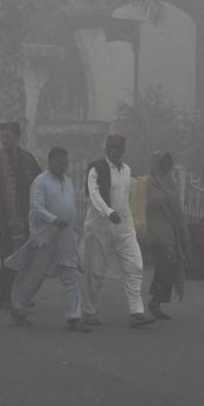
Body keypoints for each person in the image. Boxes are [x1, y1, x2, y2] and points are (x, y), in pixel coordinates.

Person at [6, 147, 90, 332]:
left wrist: (75, 230)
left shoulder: (67, 182)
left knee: (70, 276)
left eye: (66, 163)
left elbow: (70, 208)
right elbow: (36, 207)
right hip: (46, 238)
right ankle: (18, 308)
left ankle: (73, 318)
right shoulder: (41, 181)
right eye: (60, 162)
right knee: (34, 277)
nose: (64, 166)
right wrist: (53, 219)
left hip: (66, 239)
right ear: (50, 162)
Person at [81, 135, 155, 328]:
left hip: (123, 226)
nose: (114, 151)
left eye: (117, 148)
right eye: (110, 147)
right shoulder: (96, 168)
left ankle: (136, 312)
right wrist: (108, 212)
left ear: (124, 149)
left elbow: (125, 199)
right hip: (99, 226)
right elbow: (94, 193)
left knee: (135, 266)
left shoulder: (127, 170)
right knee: (95, 271)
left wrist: (127, 223)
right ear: (106, 148)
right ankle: (89, 312)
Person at [0, 122, 42, 309]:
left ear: (18, 137)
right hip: (4, 217)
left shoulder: (29, 159)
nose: (4, 141)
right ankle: (2, 295)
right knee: (8, 257)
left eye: (8, 136)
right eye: (3, 137)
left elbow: (40, 185)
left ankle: (15, 294)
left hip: (26, 216)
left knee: (24, 257)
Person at [145, 151, 192, 319]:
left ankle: (156, 301)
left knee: (169, 267)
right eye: (163, 163)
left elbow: (174, 204)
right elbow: (154, 201)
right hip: (157, 231)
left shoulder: (169, 182)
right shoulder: (152, 181)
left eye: (168, 164)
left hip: (170, 230)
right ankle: (155, 300)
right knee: (166, 266)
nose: (165, 167)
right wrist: (166, 201)